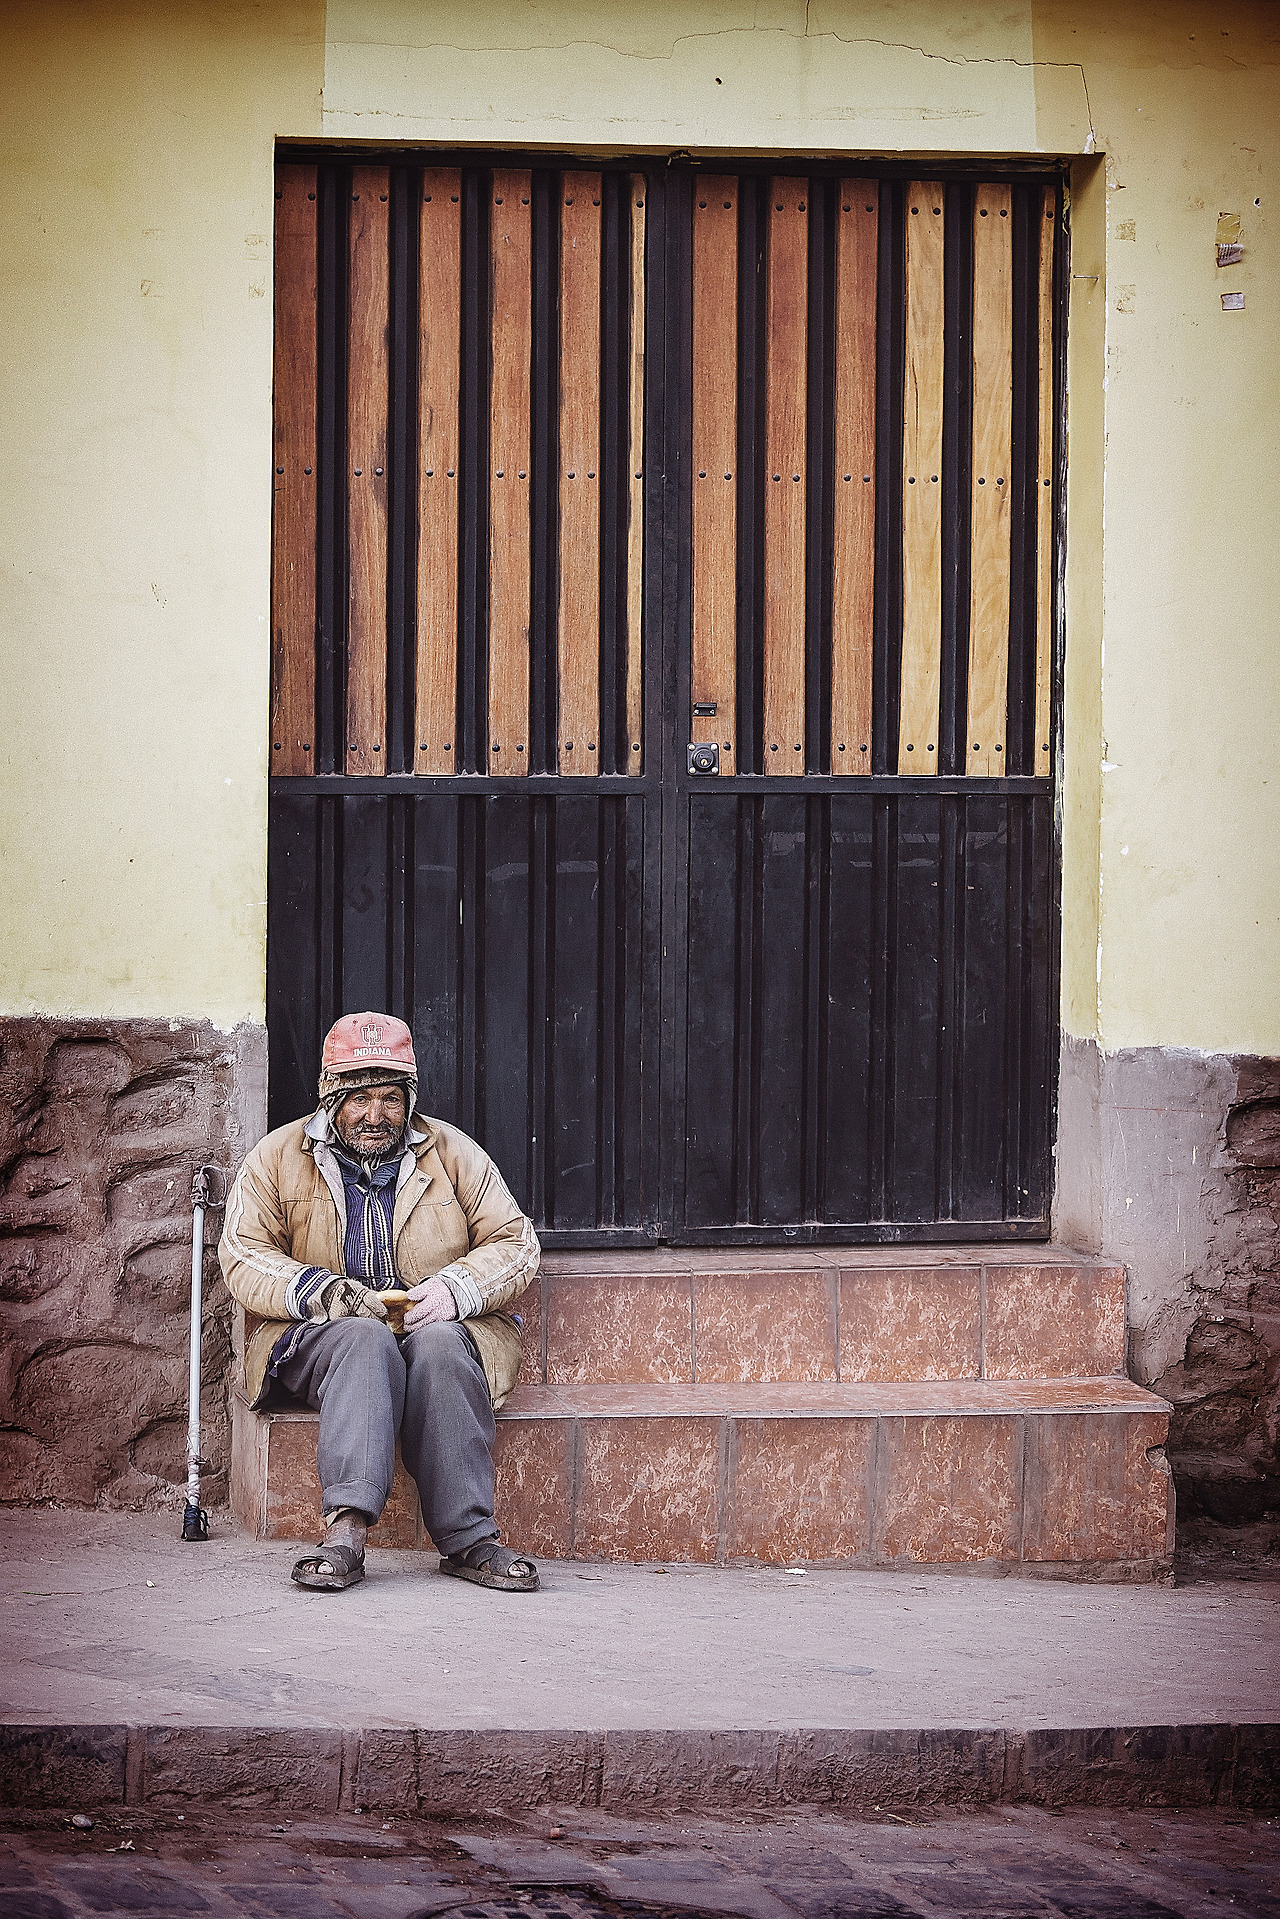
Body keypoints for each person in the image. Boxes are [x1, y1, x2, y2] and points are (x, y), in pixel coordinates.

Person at [219, 1011, 540, 1594]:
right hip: (321, 1334)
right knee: (365, 1339)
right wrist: (320, 1292)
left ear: (409, 1101)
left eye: (391, 1099)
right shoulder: (277, 1155)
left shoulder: (452, 1151)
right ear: (330, 1098)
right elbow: (243, 1253)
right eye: (359, 1099)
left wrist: (456, 1289)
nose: (375, 1115)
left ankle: (470, 1540)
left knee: (440, 1347)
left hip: (433, 1327)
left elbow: (515, 1243)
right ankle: (345, 1534)